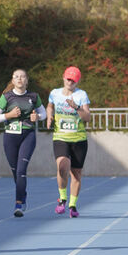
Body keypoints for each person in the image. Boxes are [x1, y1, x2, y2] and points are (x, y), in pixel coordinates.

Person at [0, 68, 45, 217]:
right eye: (16, 77)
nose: (20, 79)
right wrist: (9, 115)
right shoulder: (6, 97)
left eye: (22, 77)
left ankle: (19, 203)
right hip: (10, 137)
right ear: (13, 80)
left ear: (27, 80)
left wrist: (37, 117)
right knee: (15, 171)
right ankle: (23, 193)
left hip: (28, 135)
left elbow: (44, 114)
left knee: (21, 170)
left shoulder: (33, 96)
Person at [45, 65, 92, 217]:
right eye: (68, 79)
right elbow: (50, 106)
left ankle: (72, 205)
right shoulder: (55, 93)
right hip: (61, 137)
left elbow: (87, 118)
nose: (70, 82)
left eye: (73, 80)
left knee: (76, 173)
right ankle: (62, 199)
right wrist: (50, 115)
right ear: (63, 78)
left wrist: (76, 107)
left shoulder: (81, 95)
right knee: (62, 165)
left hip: (78, 139)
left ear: (77, 81)